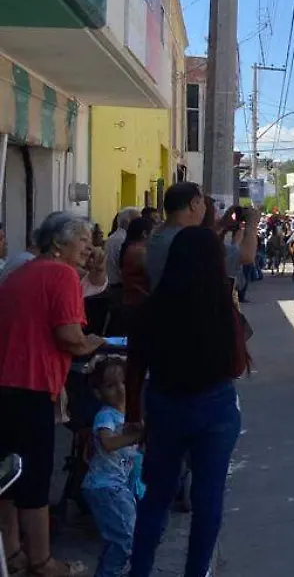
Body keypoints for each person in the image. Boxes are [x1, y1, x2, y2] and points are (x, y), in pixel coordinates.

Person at [126, 227, 249, 577]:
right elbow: (237, 366)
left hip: (165, 405)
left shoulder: (151, 306)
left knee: (156, 497)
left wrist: (134, 414)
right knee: (208, 499)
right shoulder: (221, 305)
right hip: (215, 409)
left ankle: (140, 570)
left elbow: (135, 366)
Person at [0, 212, 103, 577]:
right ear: (58, 243)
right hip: (30, 386)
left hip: (7, 384)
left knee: (8, 475)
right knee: (34, 477)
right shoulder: (61, 275)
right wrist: (93, 343)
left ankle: (13, 554)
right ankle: (43, 561)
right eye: (83, 240)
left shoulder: (21, 272)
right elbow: (69, 337)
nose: (89, 248)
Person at [81, 358, 143, 577]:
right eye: (110, 385)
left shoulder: (130, 417)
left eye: (123, 382)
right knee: (127, 537)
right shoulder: (106, 416)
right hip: (105, 487)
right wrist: (137, 435)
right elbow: (107, 443)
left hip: (117, 486)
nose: (120, 389)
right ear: (98, 393)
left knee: (119, 538)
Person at [146, 183, 258, 292]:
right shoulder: (191, 240)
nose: (205, 208)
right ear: (193, 204)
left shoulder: (156, 234)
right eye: (203, 202)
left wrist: (221, 224)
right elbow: (246, 256)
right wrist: (252, 222)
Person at [120, 218, 154, 313]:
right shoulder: (139, 252)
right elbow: (151, 274)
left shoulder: (130, 248)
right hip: (138, 304)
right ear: (144, 234)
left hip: (130, 302)